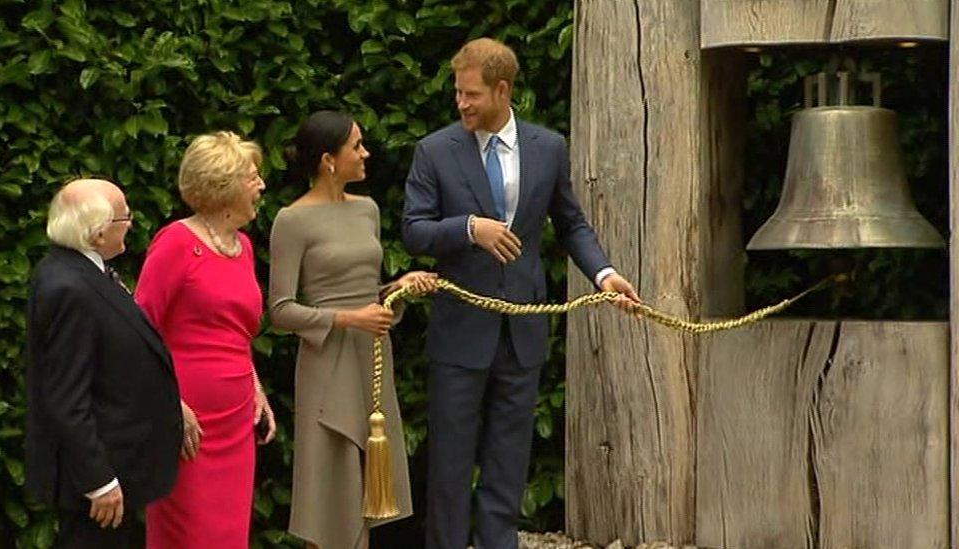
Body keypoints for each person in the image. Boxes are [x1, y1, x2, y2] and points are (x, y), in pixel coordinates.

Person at [402, 38, 641, 549]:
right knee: (449, 465)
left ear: (503, 90)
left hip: (523, 331)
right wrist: (468, 228)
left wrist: (605, 275)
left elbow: (572, 224)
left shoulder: (548, 147)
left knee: (509, 460)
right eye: (458, 93)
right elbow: (414, 232)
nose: (460, 103)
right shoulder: (435, 151)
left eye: (471, 94)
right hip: (460, 331)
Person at [268, 110, 437, 549]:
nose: (366, 154)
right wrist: (348, 318)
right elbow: (281, 312)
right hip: (327, 363)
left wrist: (396, 289)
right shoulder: (292, 220)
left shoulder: (367, 209)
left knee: (369, 478)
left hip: (373, 356)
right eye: (357, 146)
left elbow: (366, 291)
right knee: (330, 483)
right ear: (328, 159)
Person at [135, 132, 277, 548]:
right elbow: (139, 332)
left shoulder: (245, 246)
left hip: (235, 420)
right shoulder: (176, 242)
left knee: (230, 533)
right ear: (224, 186)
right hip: (188, 423)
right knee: (193, 534)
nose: (262, 186)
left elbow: (237, 331)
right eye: (253, 177)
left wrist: (255, 387)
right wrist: (169, 406)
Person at [25, 178, 182, 548]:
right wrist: (99, 481)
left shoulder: (82, 270)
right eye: (122, 218)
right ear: (96, 233)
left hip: (121, 466)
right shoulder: (70, 287)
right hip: (100, 481)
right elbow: (65, 396)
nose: (130, 223)